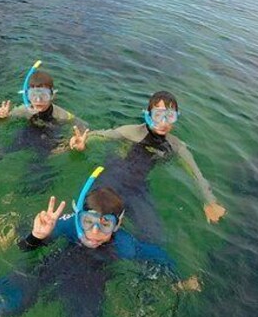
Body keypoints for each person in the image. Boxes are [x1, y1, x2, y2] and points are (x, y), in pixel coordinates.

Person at [0, 168, 199, 317]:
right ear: (78, 216)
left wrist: (179, 282)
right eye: (87, 222)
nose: (94, 232)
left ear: (117, 226)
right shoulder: (68, 225)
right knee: (3, 306)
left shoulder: (124, 245)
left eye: (105, 225)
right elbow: (26, 248)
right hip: (55, 265)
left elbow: (158, 257)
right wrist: (37, 235)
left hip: (91, 283)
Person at [69, 91, 226, 240]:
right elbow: (100, 135)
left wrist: (210, 201)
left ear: (176, 118)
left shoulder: (176, 146)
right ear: (148, 114)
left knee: (153, 235)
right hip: (113, 180)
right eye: (158, 115)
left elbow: (196, 174)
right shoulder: (130, 132)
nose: (163, 122)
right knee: (89, 220)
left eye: (169, 116)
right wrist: (82, 142)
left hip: (138, 188)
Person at [0, 68, 88, 193]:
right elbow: (4, 118)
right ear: (27, 95)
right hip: (27, 135)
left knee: (37, 170)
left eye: (43, 95)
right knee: (2, 151)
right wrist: (1, 116)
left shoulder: (62, 115)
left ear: (52, 95)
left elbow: (83, 126)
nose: (38, 101)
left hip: (48, 140)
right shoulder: (24, 110)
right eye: (33, 95)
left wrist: (73, 141)